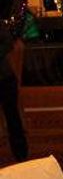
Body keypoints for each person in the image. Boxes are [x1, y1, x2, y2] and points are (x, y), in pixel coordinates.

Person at [0, 21, 27, 161]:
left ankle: (21, 155)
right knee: (13, 117)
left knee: (12, 118)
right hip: (5, 77)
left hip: (4, 77)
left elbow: (8, 43)